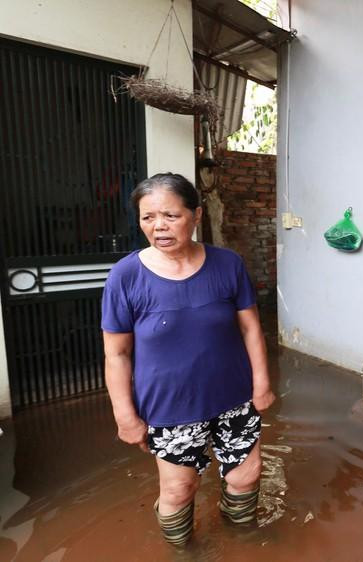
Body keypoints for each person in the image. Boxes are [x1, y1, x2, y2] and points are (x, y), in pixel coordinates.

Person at [101, 173, 275, 546]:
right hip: (170, 407)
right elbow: (117, 352)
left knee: (246, 475)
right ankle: (184, 553)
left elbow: (250, 330)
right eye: (148, 218)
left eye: (170, 215)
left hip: (234, 399)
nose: (158, 226)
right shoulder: (126, 276)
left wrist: (261, 385)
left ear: (195, 215)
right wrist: (125, 415)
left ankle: (243, 542)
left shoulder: (228, 264)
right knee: (180, 488)